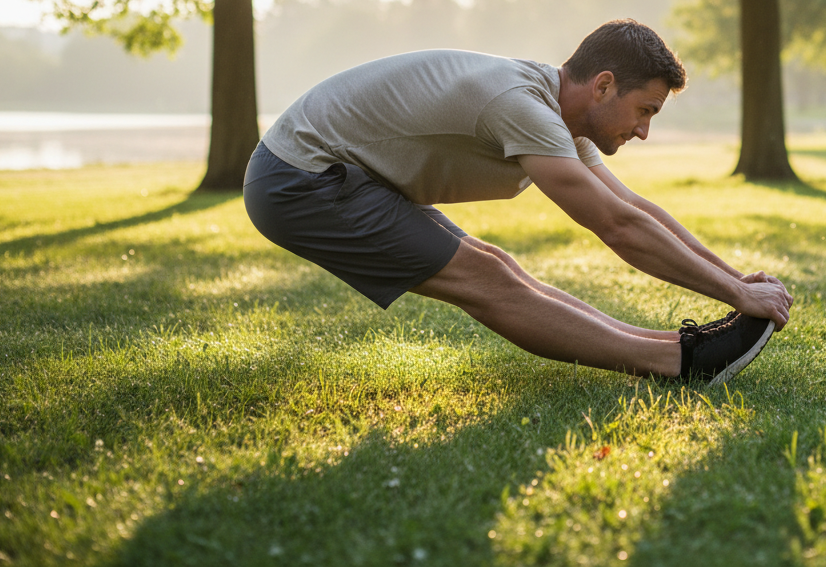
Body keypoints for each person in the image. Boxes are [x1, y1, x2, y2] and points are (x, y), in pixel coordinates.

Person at [243, 19, 793, 386]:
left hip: (343, 175)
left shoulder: (561, 114)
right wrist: (738, 293)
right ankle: (680, 364)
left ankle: (680, 346)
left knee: (496, 265)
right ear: (603, 86)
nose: (644, 131)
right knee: (486, 282)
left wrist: (737, 280)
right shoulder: (520, 105)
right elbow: (617, 227)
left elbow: (633, 206)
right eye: (645, 111)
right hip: (302, 179)